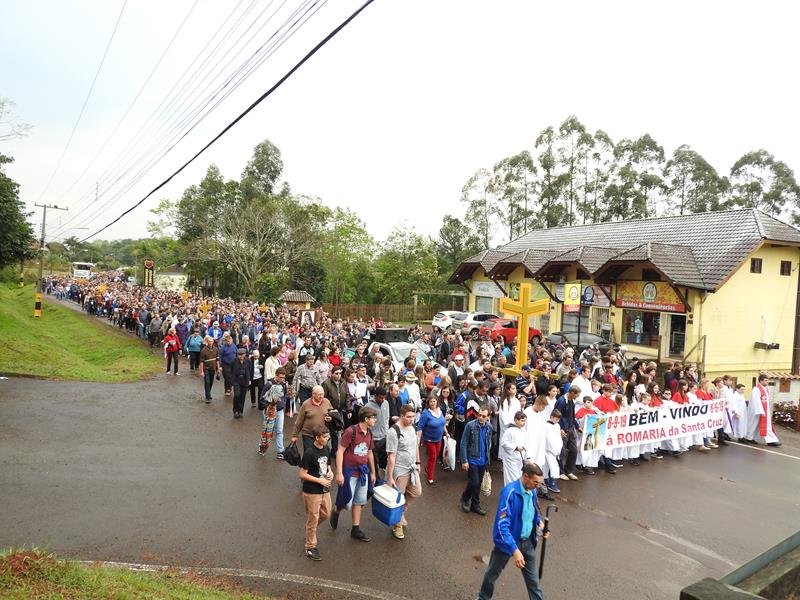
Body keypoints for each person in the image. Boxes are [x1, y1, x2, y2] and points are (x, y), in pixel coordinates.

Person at [476, 461, 548, 600]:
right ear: (525, 476)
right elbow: (502, 525)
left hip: (527, 542)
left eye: (539, 483)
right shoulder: (509, 492)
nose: (538, 486)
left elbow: (532, 510)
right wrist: (515, 551)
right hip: (507, 543)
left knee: (533, 583)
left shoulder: (532, 491)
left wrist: (540, 523)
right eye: (535, 482)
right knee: (491, 575)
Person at [331, 406, 377, 542]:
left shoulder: (369, 433)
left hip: (363, 472)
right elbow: (340, 451)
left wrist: (373, 472)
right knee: (346, 501)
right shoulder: (350, 431)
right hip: (349, 472)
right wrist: (339, 473)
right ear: (366, 419)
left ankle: (355, 529)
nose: (375, 420)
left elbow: (370, 453)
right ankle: (336, 510)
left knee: (359, 501)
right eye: (373, 418)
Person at [386, 404, 422, 540]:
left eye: (413, 417)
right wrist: (390, 477)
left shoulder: (412, 428)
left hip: (411, 467)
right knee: (397, 499)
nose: (411, 419)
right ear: (401, 416)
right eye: (409, 417)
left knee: (417, 491)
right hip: (399, 469)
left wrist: (418, 462)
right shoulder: (393, 431)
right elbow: (391, 456)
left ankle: (400, 514)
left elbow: (415, 446)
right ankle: (397, 525)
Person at [299, 425, 334, 561]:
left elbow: (328, 466)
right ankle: (310, 547)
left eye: (328, 436)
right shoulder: (309, 453)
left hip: (324, 489)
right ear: (317, 438)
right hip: (312, 491)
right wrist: (320, 481)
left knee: (326, 513)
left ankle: (310, 528)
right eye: (325, 437)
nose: (328, 439)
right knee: (313, 518)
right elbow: (302, 474)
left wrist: (330, 473)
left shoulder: (326, 448)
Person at [459, 406, 493, 516]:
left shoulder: (489, 427)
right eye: (479, 415)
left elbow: (488, 444)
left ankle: (475, 505)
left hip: (483, 460)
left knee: (477, 484)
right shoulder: (470, 425)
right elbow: (463, 443)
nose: (480, 417)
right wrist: (464, 460)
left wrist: (487, 459)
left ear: (488, 417)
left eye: (483, 416)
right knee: (474, 482)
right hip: (472, 459)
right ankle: (465, 498)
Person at [416, 393, 448, 485]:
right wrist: (418, 441)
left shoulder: (439, 410)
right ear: (428, 403)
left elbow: (443, 422)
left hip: (439, 438)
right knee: (433, 457)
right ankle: (430, 477)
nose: (433, 403)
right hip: (429, 439)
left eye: (434, 401)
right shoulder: (426, 413)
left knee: (435, 455)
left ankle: (428, 468)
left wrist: (446, 432)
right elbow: (420, 427)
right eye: (431, 402)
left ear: (437, 402)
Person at [292, 385, 334, 453]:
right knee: (309, 454)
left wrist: (330, 418)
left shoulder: (327, 402)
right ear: (313, 394)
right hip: (308, 435)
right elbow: (299, 421)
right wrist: (295, 435)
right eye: (319, 394)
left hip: (322, 435)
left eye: (323, 394)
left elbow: (331, 413)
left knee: (321, 455)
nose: (321, 396)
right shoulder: (306, 404)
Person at [260, 367, 289, 459]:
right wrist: (268, 407)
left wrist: (283, 403)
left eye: (283, 377)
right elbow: (262, 399)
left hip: (280, 411)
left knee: (279, 431)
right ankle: (262, 446)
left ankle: (280, 451)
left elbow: (285, 395)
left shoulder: (284, 384)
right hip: (270, 412)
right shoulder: (269, 384)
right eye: (280, 377)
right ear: (276, 376)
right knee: (267, 431)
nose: (282, 379)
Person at [748, 374, 781, 446]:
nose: (767, 382)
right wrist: (761, 411)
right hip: (757, 411)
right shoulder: (756, 389)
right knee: (754, 425)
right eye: (766, 380)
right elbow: (756, 401)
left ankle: (770, 440)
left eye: (767, 380)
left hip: (764, 410)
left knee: (766, 425)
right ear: (761, 381)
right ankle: (749, 437)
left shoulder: (765, 389)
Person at [364, 387, 390, 474]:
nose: (383, 400)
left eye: (384, 397)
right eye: (381, 398)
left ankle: (382, 474)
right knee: (374, 460)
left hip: (384, 436)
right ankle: (374, 475)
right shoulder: (368, 406)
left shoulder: (386, 403)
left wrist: (387, 432)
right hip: (373, 438)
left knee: (383, 459)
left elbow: (387, 418)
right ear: (375, 396)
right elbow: (364, 423)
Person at [500, 411, 527, 485]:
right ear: (516, 420)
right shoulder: (509, 431)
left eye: (525, 421)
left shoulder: (523, 431)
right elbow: (504, 443)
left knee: (519, 478)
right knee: (511, 479)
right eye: (522, 421)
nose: (524, 423)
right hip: (511, 459)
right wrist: (515, 448)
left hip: (520, 459)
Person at [544, 409, 564, 493]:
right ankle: (549, 482)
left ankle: (551, 482)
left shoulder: (557, 425)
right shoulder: (546, 426)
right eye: (556, 419)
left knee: (553, 467)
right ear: (551, 417)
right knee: (548, 467)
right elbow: (548, 439)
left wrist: (559, 448)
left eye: (558, 419)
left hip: (556, 450)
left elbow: (559, 438)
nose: (557, 421)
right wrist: (553, 450)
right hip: (548, 450)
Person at [231, 348, 252, 418]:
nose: (240, 356)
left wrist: (249, 380)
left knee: (242, 396)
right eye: (239, 355)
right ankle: (235, 411)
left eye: (241, 354)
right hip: (236, 380)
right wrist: (232, 380)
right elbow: (231, 370)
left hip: (244, 380)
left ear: (245, 354)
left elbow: (249, 370)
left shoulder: (248, 361)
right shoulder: (234, 361)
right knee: (237, 395)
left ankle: (240, 411)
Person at [199, 335, 220, 403]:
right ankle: (208, 396)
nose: (211, 342)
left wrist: (218, 368)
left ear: (213, 342)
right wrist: (201, 371)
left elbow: (217, 360)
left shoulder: (216, 349)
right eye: (209, 341)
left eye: (212, 341)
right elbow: (201, 362)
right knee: (207, 382)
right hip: (206, 369)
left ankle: (208, 392)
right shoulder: (203, 350)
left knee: (211, 382)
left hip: (213, 369)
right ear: (207, 342)